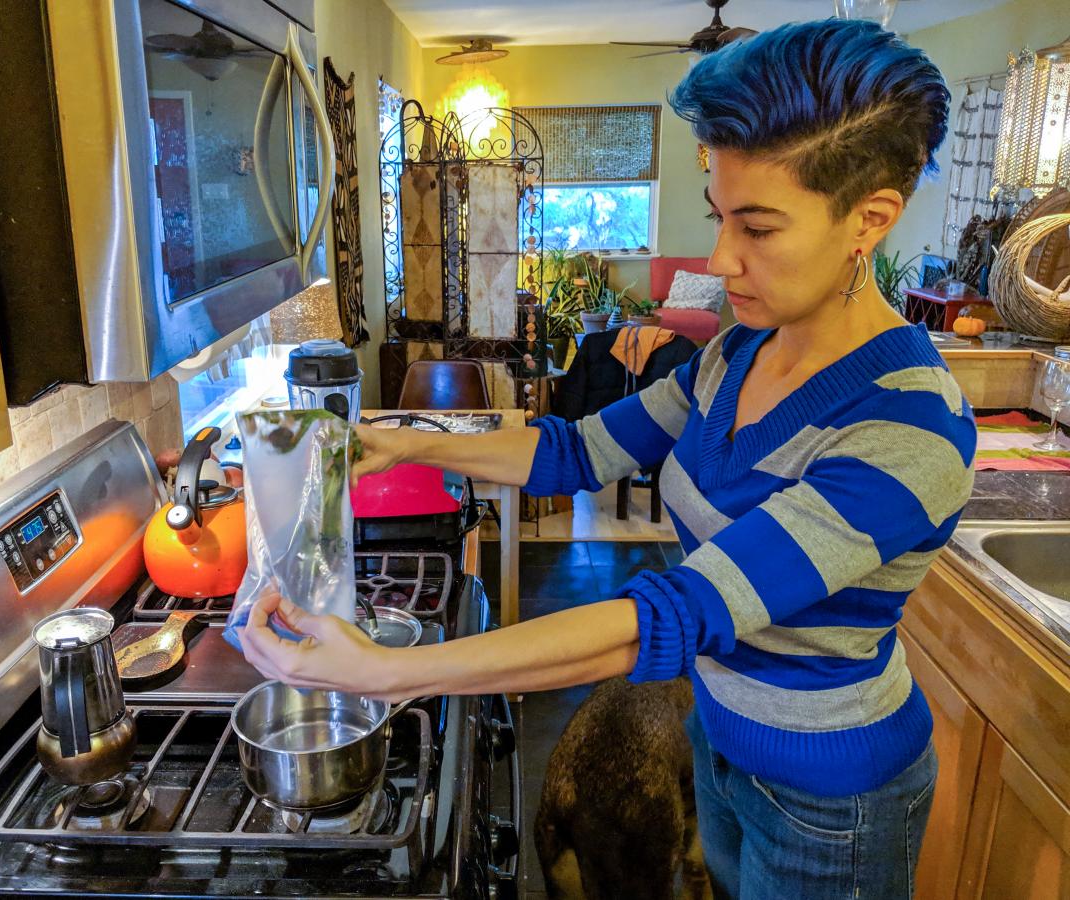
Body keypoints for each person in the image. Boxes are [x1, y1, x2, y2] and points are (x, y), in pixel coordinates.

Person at [239, 18, 975, 900]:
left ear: (870, 220)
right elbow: (575, 450)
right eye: (719, 218)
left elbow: (678, 612)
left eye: (759, 227)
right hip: (722, 739)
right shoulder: (734, 355)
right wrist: (395, 440)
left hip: (834, 801)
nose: (720, 259)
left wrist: (391, 672)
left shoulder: (908, 429)